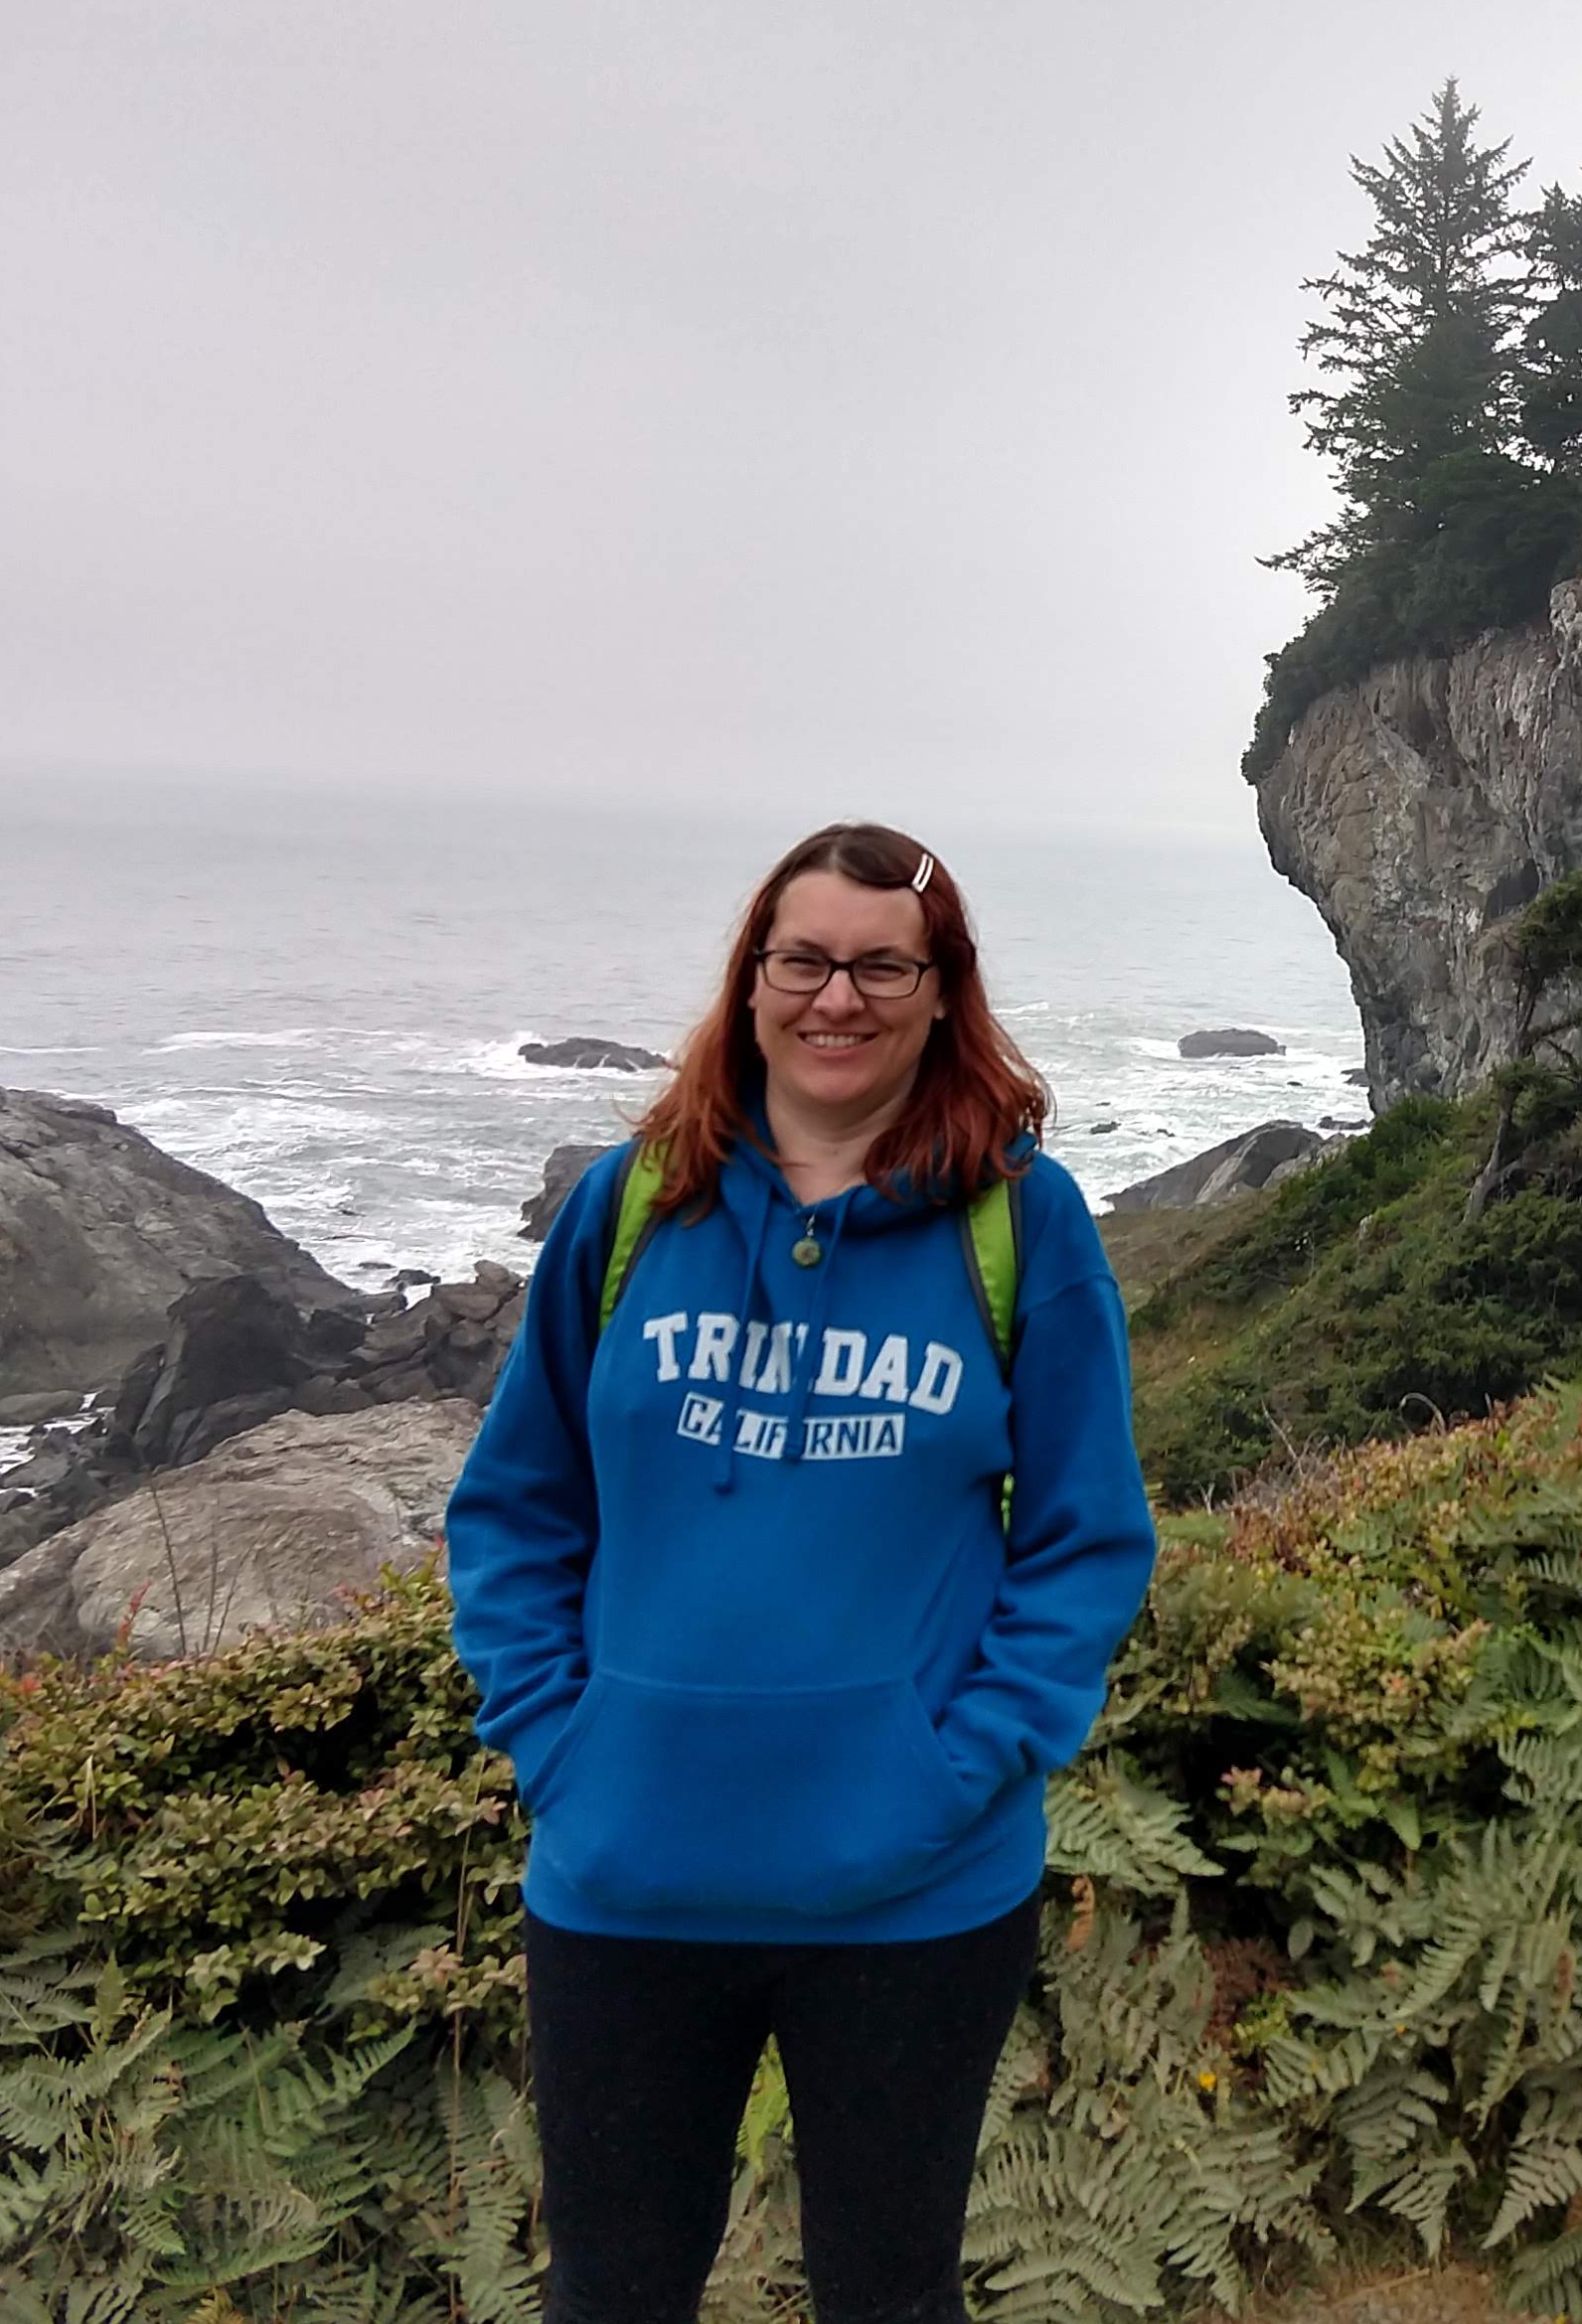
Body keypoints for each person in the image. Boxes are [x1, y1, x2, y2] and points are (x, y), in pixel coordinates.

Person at [446, 820, 1158, 2324]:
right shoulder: (635, 1203)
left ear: (942, 990)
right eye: (806, 960)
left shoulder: (1020, 1223)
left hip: (915, 1890)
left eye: (884, 965)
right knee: (610, 2297)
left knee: (889, 2302)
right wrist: (559, 1744)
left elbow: (1087, 1538)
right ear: (753, 978)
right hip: (626, 1878)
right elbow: (515, 1503)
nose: (840, 998)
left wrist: (957, 1767)